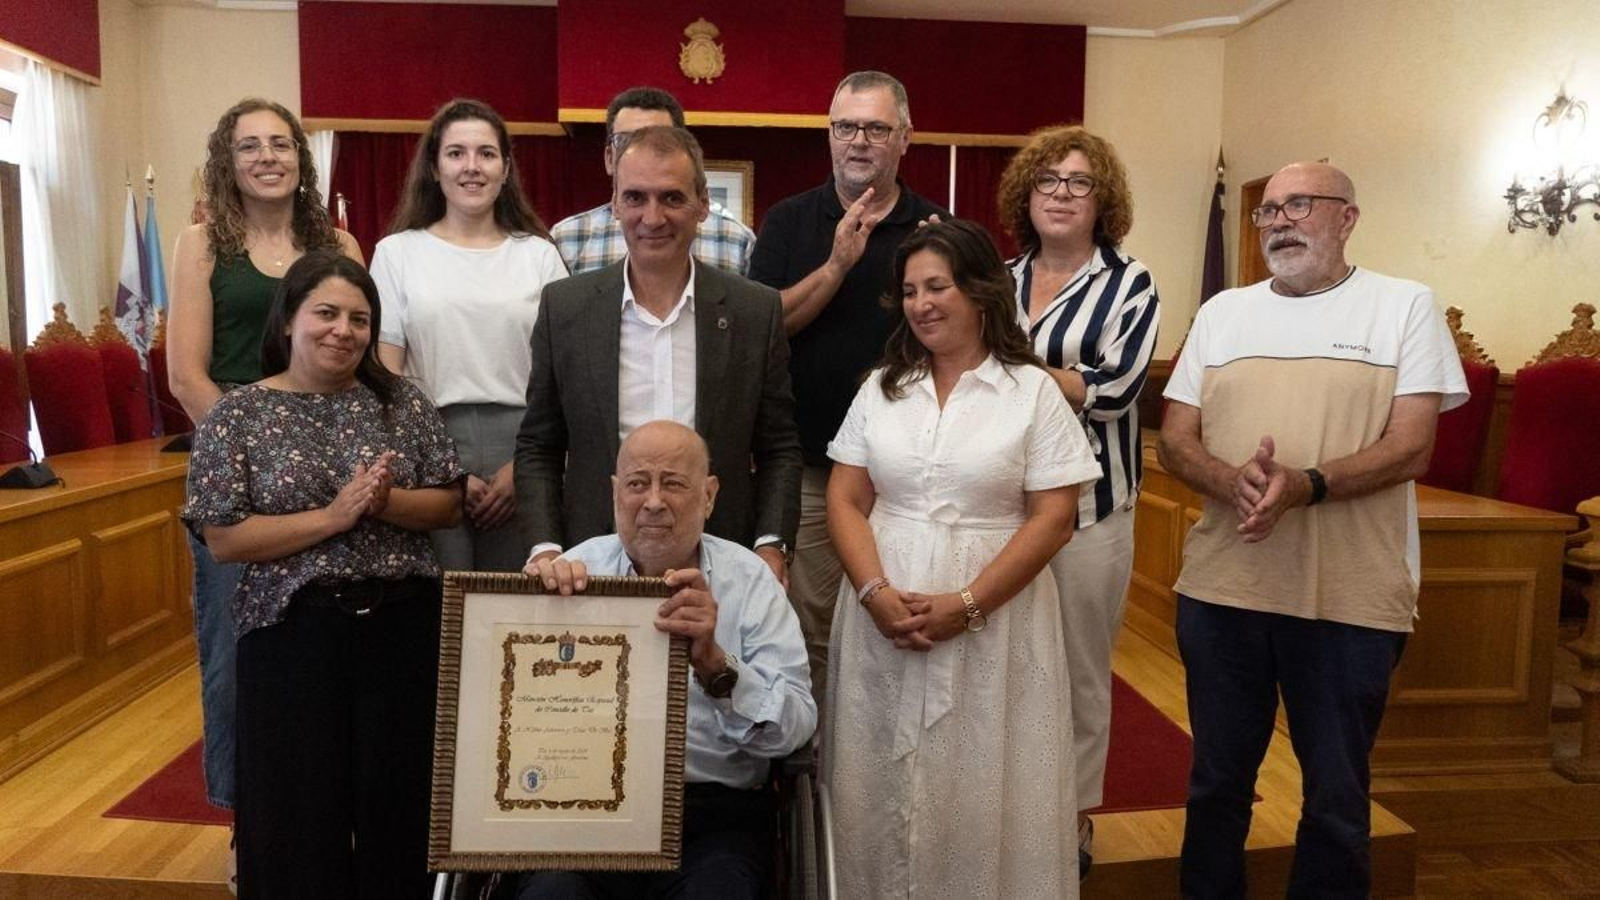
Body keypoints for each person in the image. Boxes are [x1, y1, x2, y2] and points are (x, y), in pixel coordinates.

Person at [1158, 162, 1467, 898]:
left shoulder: (1404, 306)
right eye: (1269, 211)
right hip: (1225, 589)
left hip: (1348, 599)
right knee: (1215, 789)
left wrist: (1308, 485)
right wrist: (1231, 480)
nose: (1280, 222)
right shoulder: (1222, 312)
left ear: (1347, 217)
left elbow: (1414, 444)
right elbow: (1175, 439)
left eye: (1300, 205)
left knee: (1334, 801)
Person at [824, 220, 1101, 898]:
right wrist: (874, 592)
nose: (922, 303)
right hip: (879, 611)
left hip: (996, 620)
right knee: (878, 770)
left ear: (980, 292)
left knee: (981, 772)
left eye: (938, 286)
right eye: (911, 290)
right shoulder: (883, 386)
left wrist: (969, 603)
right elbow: (845, 497)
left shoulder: (1031, 392)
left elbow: (1053, 516)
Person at [183, 252, 464, 899]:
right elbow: (224, 538)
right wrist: (335, 516)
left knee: (400, 805)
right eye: (327, 313)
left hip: (401, 627)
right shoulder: (238, 414)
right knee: (294, 813)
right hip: (292, 635)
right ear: (289, 320)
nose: (344, 330)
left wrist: (385, 502)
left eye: (360, 320)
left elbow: (448, 502)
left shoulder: (402, 403)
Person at [517, 420, 816, 900]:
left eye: (673, 483)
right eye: (638, 484)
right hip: (584, 814)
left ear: (710, 495)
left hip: (711, 819)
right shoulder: (571, 575)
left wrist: (718, 667)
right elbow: (508, 718)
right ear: (616, 493)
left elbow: (798, 727)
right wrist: (538, 621)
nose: (653, 501)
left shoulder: (752, 583)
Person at [166, 97, 361, 820]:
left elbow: (358, 357)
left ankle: (322, 814)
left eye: (281, 143)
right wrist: (258, 452)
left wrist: (313, 455)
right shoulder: (202, 243)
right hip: (234, 471)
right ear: (229, 160)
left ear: (300, 158)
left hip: (328, 467)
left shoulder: (337, 245)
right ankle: (247, 822)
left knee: (324, 653)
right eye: (250, 146)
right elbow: (186, 375)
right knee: (236, 659)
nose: (267, 156)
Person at [514, 125, 801, 586]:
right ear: (614, 205)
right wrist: (547, 547)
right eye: (635, 198)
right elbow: (539, 445)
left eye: (671, 198)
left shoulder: (754, 311)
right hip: (590, 564)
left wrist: (771, 545)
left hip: (723, 562)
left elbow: (779, 447)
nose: (652, 217)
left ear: (702, 204)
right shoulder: (564, 307)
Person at [748, 70, 948, 707]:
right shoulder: (788, 222)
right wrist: (838, 264)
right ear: (829, 135)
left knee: (904, 622)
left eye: (875, 128)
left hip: (914, 474)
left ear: (905, 138)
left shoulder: (935, 231)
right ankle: (818, 785)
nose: (859, 140)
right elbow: (766, 329)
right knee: (812, 630)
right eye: (845, 127)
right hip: (812, 466)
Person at [995, 124, 1161, 871]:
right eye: (1048, 182)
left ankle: (1070, 821)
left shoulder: (1132, 284)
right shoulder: (995, 280)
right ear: (1025, 196)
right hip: (999, 508)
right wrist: (1052, 375)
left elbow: (1115, 390)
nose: (1061, 195)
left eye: (1079, 182)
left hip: (1092, 511)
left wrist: (1018, 368)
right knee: (1005, 665)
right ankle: (1008, 809)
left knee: (1079, 672)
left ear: (1103, 200)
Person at [372, 98, 569, 572]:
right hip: (430, 446)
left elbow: (567, 370)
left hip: (525, 446)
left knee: (517, 614)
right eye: (456, 153)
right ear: (434, 168)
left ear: (506, 169)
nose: (472, 167)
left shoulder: (539, 256)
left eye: (486, 154)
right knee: (442, 613)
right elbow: (386, 373)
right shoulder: (397, 253)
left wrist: (525, 467)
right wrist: (444, 467)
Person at [550, 86, 755, 275]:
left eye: (658, 140)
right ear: (609, 158)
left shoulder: (735, 242)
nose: (642, 151)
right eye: (625, 140)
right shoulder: (569, 239)